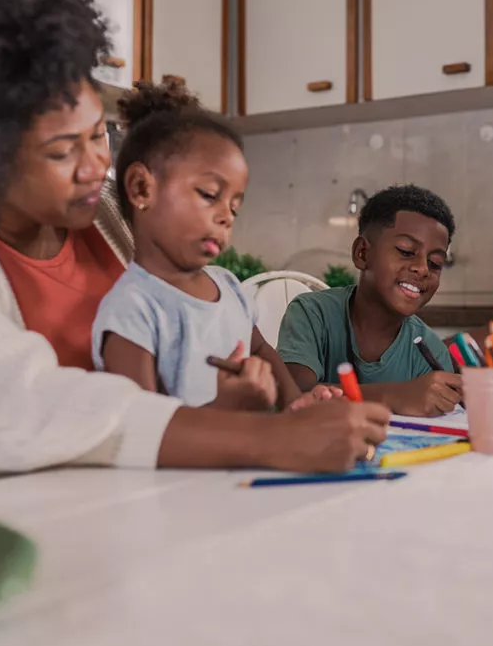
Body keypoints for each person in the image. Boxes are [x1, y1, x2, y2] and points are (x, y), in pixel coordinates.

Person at [0, 0, 388, 481]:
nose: (98, 165)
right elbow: (11, 405)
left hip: (126, 506)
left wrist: (264, 406)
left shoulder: (101, 211)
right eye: (62, 150)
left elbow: (176, 361)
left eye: (98, 134)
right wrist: (265, 441)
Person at [93, 78, 337, 411]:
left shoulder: (229, 287)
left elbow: (264, 353)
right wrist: (228, 407)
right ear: (141, 189)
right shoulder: (132, 308)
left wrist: (297, 404)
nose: (226, 217)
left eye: (234, 206)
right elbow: (143, 432)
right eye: (209, 195)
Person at [277, 184, 463, 417]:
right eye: (406, 251)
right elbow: (295, 394)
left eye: (435, 263)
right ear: (362, 253)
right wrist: (394, 396)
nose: (423, 269)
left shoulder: (431, 352)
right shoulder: (312, 313)